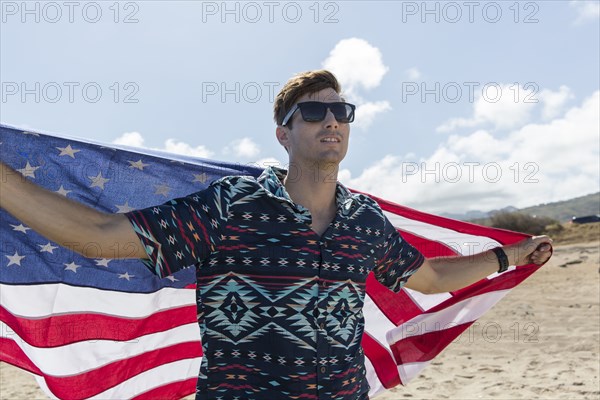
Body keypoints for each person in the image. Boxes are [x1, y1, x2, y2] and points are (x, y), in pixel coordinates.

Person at [0, 70, 552, 399]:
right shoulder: (229, 206)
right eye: (313, 112)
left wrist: (509, 256)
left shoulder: (363, 219)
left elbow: (429, 278)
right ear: (283, 134)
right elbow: (99, 236)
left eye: (342, 111)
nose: (331, 120)